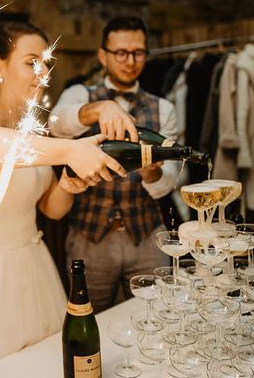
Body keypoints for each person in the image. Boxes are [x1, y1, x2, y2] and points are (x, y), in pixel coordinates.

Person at [0, 21, 124, 360]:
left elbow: (51, 209)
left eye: (46, 62)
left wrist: (67, 184)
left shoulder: (31, 129)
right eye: (31, 61)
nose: (43, 71)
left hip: (35, 263)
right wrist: (69, 150)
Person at [49, 16, 179, 313]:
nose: (130, 61)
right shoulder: (79, 94)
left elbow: (168, 183)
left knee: (156, 317)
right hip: (89, 239)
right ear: (102, 55)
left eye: (138, 52)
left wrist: (153, 171)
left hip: (147, 236)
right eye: (121, 52)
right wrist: (98, 108)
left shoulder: (164, 108)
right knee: (88, 319)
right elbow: (54, 124)